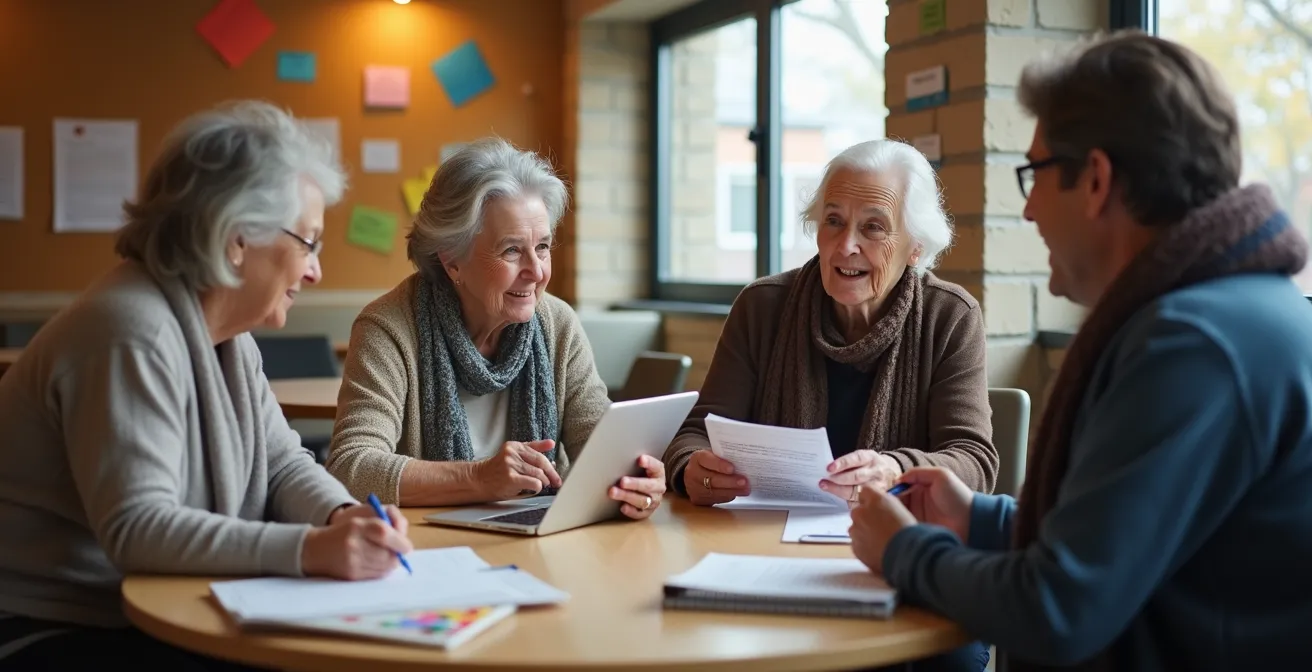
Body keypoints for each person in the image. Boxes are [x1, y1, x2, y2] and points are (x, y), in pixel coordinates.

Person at [849, 30, 1312, 672]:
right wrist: (981, 520)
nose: (1029, 210)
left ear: (1095, 179)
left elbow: (1057, 609)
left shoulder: (1191, 346)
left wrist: (902, 551)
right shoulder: (1232, 312)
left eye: (1035, 174)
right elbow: (1130, 543)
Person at [0, 101, 413, 670]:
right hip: (49, 626)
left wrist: (341, 516)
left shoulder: (226, 335)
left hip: (149, 609)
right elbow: (138, 527)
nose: (315, 269)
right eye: (308, 242)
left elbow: (282, 464)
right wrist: (309, 549)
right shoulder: (132, 331)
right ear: (236, 238)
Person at [326, 138, 664, 519]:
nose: (536, 272)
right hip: (426, 545)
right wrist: (478, 478)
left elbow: (600, 446)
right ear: (452, 261)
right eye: (511, 250)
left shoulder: (558, 324)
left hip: (540, 536)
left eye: (543, 247)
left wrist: (637, 482)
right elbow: (351, 468)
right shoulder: (388, 329)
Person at [662, 138, 999, 506]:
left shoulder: (950, 317)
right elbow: (695, 434)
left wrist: (896, 471)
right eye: (834, 221)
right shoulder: (761, 306)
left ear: (915, 247)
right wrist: (691, 468)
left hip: (893, 531)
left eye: (873, 227)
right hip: (762, 530)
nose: (845, 245)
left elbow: (973, 461)